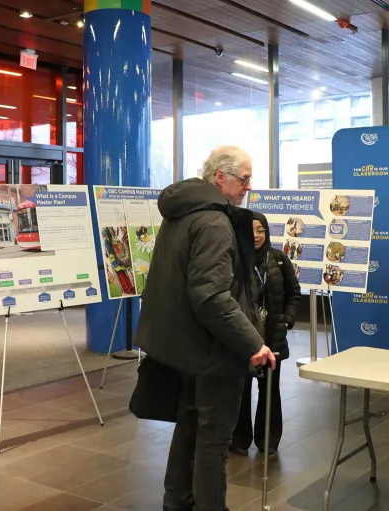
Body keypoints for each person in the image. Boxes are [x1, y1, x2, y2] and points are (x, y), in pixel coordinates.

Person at [136, 145, 276, 511]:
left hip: (184, 346)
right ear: (220, 177)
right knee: (213, 439)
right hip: (213, 349)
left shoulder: (181, 213)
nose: (248, 186)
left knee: (189, 425)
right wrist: (253, 342)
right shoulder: (214, 221)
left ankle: (176, 502)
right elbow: (211, 296)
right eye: (244, 178)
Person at [231, 211, 301, 456]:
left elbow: (294, 292)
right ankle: (239, 440)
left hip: (273, 337)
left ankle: (268, 441)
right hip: (244, 336)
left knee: (270, 390)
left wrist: (287, 320)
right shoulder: (235, 259)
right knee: (241, 390)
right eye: (252, 230)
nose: (257, 235)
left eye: (261, 230)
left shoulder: (279, 259)